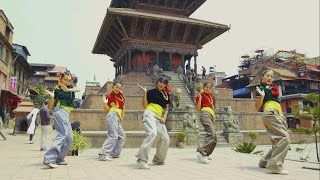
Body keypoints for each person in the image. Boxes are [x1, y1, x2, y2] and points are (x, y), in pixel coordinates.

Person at [43, 71, 80, 168]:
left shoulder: (71, 88)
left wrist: (67, 90)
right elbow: (51, 108)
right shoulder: (57, 90)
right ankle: (49, 158)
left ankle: (59, 158)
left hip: (65, 113)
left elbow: (78, 89)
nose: (67, 82)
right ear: (60, 79)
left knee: (69, 138)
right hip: (60, 111)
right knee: (63, 134)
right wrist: (52, 97)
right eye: (65, 80)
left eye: (69, 80)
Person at [255, 69, 290, 175]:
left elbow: (277, 104)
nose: (270, 78)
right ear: (262, 77)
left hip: (277, 114)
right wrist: (261, 96)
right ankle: (275, 166)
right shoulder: (260, 89)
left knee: (277, 141)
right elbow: (257, 107)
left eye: (272, 76)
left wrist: (281, 115)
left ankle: (264, 161)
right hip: (270, 113)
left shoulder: (273, 89)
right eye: (268, 76)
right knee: (284, 138)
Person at [136, 76, 170, 169]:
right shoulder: (151, 92)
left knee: (165, 138)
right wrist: (145, 93)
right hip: (150, 114)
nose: (161, 84)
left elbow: (166, 108)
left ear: (165, 85)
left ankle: (158, 159)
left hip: (159, 117)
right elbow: (144, 105)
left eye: (163, 83)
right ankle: (141, 159)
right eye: (160, 82)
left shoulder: (166, 95)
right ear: (157, 82)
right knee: (152, 133)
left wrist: (164, 118)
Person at [98, 81, 126, 161]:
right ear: (113, 87)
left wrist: (122, 117)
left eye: (120, 88)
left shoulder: (121, 96)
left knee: (122, 136)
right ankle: (103, 154)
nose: (118, 89)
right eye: (116, 87)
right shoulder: (109, 96)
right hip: (112, 115)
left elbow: (123, 107)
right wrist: (104, 103)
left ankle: (114, 153)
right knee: (113, 136)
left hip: (117, 117)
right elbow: (106, 110)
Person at [195, 82, 217, 164]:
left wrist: (214, 117)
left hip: (211, 116)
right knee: (211, 133)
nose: (208, 89)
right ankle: (202, 153)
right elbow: (197, 109)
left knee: (215, 138)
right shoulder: (200, 95)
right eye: (206, 87)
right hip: (205, 114)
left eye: (209, 88)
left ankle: (206, 153)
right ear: (203, 87)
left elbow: (213, 107)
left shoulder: (212, 96)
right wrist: (200, 98)